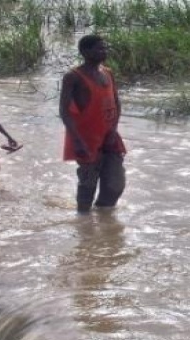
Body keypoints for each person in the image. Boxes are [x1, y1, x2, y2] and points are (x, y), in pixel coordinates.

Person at [59, 34, 126, 213]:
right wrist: (77, 141)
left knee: (115, 185)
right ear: (85, 52)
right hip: (86, 138)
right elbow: (64, 112)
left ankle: (103, 219)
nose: (104, 51)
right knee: (87, 184)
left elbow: (117, 102)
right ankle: (84, 223)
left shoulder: (108, 72)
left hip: (110, 135)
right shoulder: (73, 77)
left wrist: (113, 130)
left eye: (105, 48)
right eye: (99, 48)